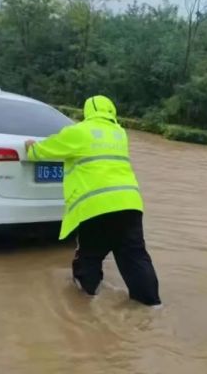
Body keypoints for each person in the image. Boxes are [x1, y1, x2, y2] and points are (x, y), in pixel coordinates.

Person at [24, 95, 161, 307]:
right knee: (135, 257)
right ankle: (151, 306)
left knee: (89, 255)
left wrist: (31, 148)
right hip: (130, 203)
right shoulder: (119, 134)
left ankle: (84, 304)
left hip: (96, 206)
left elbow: (44, 150)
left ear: (88, 111)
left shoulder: (79, 132)